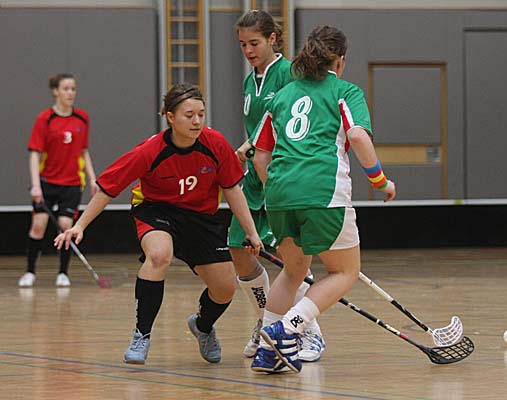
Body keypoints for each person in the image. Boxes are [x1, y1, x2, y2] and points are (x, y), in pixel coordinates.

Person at [54, 83, 263, 365]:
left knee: (225, 287)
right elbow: (108, 187)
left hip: (201, 217)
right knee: (159, 255)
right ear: (171, 117)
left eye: (201, 114)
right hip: (156, 210)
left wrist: (251, 232)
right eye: (189, 115)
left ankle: (202, 326)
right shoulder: (151, 150)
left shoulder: (215, 144)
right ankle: (142, 334)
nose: (197, 121)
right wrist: (80, 226)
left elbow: (233, 189)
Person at [250, 25, 396, 373]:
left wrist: (279, 189)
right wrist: (381, 181)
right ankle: (288, 328)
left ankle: (267, 352)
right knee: (345, 271)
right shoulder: (345, 91)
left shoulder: (282, 95)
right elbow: (357, 136)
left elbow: (259, 156)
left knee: (293, 271)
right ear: (340, 61)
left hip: (279, 194)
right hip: (323, 192)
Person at [231, 9, 325, 362]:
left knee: (292, 259)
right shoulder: (249, 81)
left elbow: (284, 124)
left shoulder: (289, 73)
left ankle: (308, 331)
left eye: (254, 43)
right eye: (243, 44)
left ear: (273, 38)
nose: (248, 51)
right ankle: (268, 324)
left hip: (280, 175)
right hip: (252, 179)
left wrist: (253, 145)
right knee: (239, 250)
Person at [19, 73, 98, 288]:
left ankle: (63, 273)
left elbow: (83, 151)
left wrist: (93, 179)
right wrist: (36, 185)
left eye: (73, 89)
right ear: (55, 91)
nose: (70, 93)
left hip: (72, 183)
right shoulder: (45, 119)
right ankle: (30, 272)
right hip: (47, 182)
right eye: (66, 89)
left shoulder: (82, 118)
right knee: (38, 226)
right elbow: (34, 154)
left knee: (65, 226)